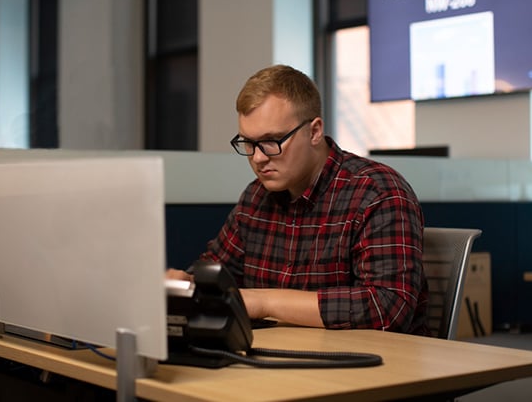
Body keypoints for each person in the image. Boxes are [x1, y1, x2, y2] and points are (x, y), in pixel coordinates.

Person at [168, 64, 429, 335]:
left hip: (374, 358)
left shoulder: (377, 193)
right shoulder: (256, 198)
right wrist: (189, 284)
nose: (258, 158)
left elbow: (386, 307)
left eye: (272, 141)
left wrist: (264, 302)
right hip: (281, 354)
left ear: (314, 131)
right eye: (248, 143)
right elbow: (216, 274)